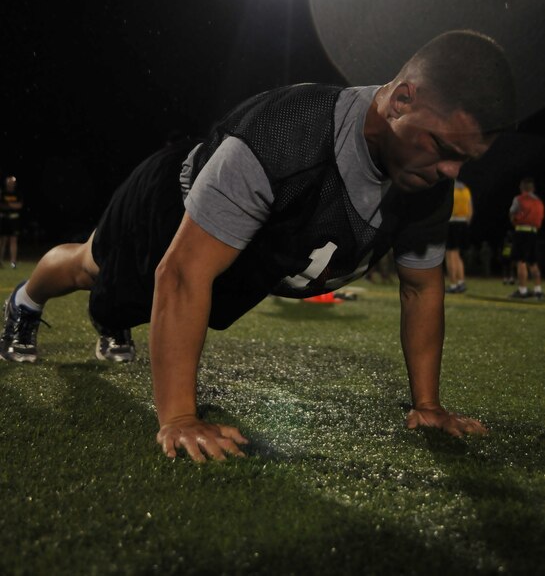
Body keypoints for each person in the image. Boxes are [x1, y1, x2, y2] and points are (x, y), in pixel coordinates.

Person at [1, 30, 516, 462]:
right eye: (445, 149)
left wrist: (427, 404)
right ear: (401, 99)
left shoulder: (428, 182)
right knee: (90, 267)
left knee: (139, 303)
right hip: (169, 211)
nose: (452, 172)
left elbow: (421, 289)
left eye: (463, 159)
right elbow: (181, 273)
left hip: (241, 263)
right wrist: (180, 418)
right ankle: (26, 301)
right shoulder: (288, 134)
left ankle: (114, 320)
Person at [508, 178, 544, 299]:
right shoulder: (539, 201)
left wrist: (514, 220)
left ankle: (522, 290)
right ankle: (538, 290)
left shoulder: (519, 199)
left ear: (522, 188)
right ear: (533, 188)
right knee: (533, 263)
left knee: (521, 262)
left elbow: (512, 213)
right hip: (534, 233)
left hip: (522, 232)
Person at [445, 179, 473, 293]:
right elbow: (470, 209)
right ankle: (461, 282)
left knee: (450, 254)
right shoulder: (465, 189)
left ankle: (453, 284)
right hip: (463, 223)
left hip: (452, 222)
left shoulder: (449, 189)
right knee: (457, 254)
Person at [0, 176, 24, 269]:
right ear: (6, 183)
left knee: (13, 240)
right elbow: (2, 205)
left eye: (12, 183)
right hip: (4, 219)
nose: (11, 184)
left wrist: (8, 205)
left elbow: (19, 206)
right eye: (9, 183)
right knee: (2, 240)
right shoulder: (2, 193)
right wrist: (12, 206)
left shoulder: (18, 194)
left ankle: (13, 262)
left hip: (14, 220)